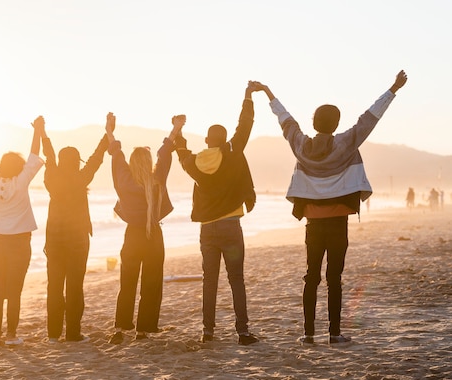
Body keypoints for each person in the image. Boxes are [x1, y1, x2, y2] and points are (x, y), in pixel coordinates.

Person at [259, 70, 408, 344]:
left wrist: (269, 94)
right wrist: (393, 89)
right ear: (336, 122)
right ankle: (335, 334)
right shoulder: (347, 142)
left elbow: (286, 122)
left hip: (313, 223)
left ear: (314, 122)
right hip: (339, 221)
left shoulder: (301, 146)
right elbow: (370, 118)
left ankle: (307, 334)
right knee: (334, 279)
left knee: (311, 276)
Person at [174, 81, 262, 346]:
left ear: (208, 141)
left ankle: (208, 331)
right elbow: (244, 125)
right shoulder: (233, 151)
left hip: (208, 230)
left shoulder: (196, 161)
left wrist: (178, 130)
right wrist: (248, 96)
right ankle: (243, 332)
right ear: (224, 140)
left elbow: (181, 153)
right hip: (231, 227)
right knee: (236, 280)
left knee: (209, 281)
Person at [106, 112, 185, 344]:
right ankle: (142, 330)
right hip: (153, 235)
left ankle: (120, 329)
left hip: (132, 235)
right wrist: (176, 128)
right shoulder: (156, 179)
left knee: (127, 281)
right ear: (148, 164)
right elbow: (165, 154)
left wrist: (110, 131)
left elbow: (116, 155)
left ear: (132, 163)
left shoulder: (124, 179)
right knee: (151, 282)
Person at [0, 122, 44, 345]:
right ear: (19, 168)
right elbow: (34, 157)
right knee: (14, 291)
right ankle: (11, 335)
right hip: (19, 243)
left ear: (2, 166)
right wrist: (38, 131)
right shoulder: (21, 182)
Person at [39, 116, 109, 343]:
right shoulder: (80, 178)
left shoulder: (52, 178)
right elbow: (96, 159)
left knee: (55, 286)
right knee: (75, 286)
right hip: (77, 240)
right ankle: (72, 333)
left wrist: (42, 132)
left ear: (61, 161)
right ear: (76, 162)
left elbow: (48, 157)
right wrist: (107, 133)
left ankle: (52, 335)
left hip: (54, 240)